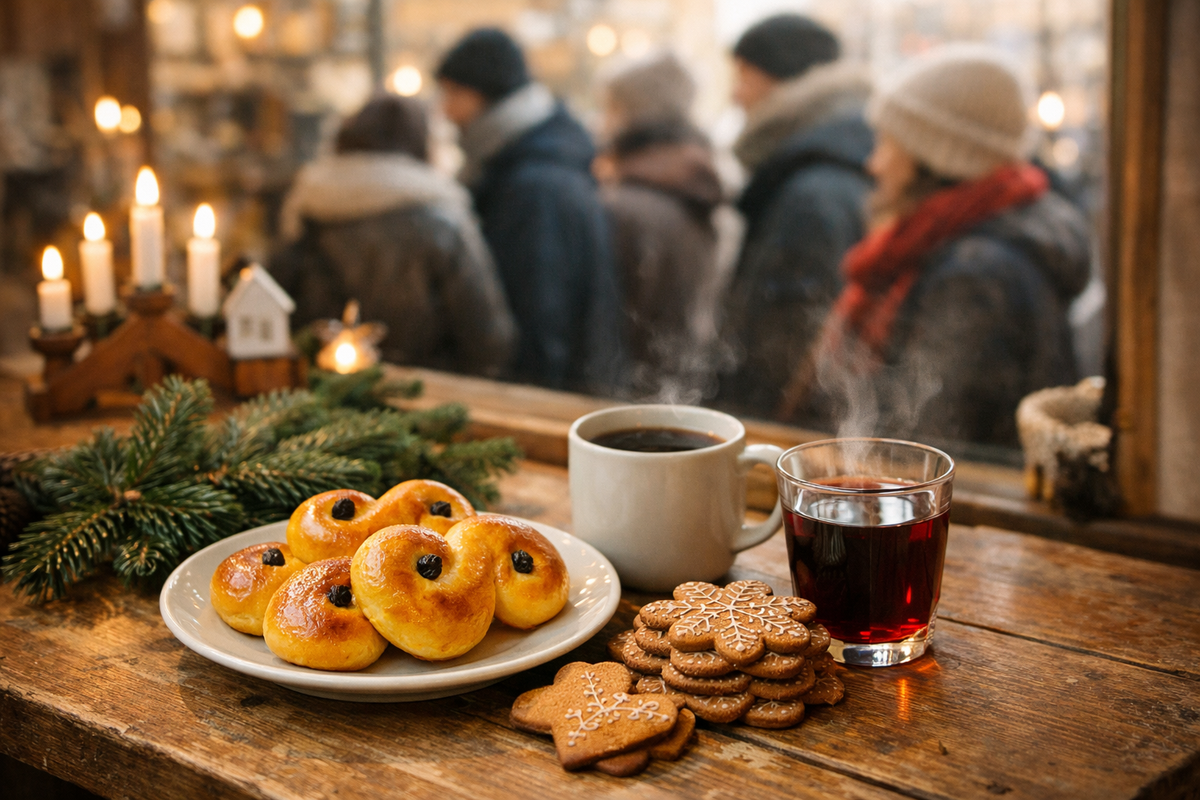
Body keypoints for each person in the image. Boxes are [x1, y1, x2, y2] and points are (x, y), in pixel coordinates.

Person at [792, 44, 1090, 449]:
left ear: (935, 156)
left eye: (887, 142)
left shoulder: (974, 276)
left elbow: (925, 451)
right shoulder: (960, 247)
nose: (872, 163)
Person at [272, 94, 515, 377]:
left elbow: (278, 313)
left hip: (318, 394)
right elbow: (488, 340)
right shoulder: (442, 222)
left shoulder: (309, 207)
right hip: (425, 399)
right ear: (421, 144)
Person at [436, 28, 624, 392]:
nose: (446, 110)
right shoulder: (527, 161)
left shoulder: (535, 185)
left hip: (549, 395)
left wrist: (530, 414)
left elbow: (542, 318)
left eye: (453, 93)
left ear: (485, 92)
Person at [715, 14, 874, 419]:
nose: (736, 94)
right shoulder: (831, 165)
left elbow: (781, 353)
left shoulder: (812, 194)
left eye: (744, 76)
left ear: (783, 80)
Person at [597, 52, 731, 402]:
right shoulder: (692, 184)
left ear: (635, 113)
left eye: (611, 108)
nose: (602, 123)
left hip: (631, 395)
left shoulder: (628, 205)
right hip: (681, 387)